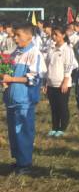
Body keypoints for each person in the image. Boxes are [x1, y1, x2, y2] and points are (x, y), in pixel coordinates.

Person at [2, 23, 45, 175]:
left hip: (24, 100)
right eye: (14, 35)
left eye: (18, 35)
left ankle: (25, 163)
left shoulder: (34, 53)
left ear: (29, 36)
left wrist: (12, 79)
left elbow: (34, 78)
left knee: (23, 131)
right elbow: (7, 72)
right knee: (14, 132)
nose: (14, 37)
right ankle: (19, 160)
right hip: (12, 99)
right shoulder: (16, 53)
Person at [45, 25, 77, 137]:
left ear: (63, 35)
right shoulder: (51, 49)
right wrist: (46, 82)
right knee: (53, 107)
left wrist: (65, 81)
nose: (54, 37)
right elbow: (47, 65)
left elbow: (69, 66)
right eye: (53, 34)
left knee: (62, 106)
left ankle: (62, 128)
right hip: (51, 82)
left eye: (57, 35)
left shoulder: (67, 49)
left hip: (62, 83)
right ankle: (54, 127)